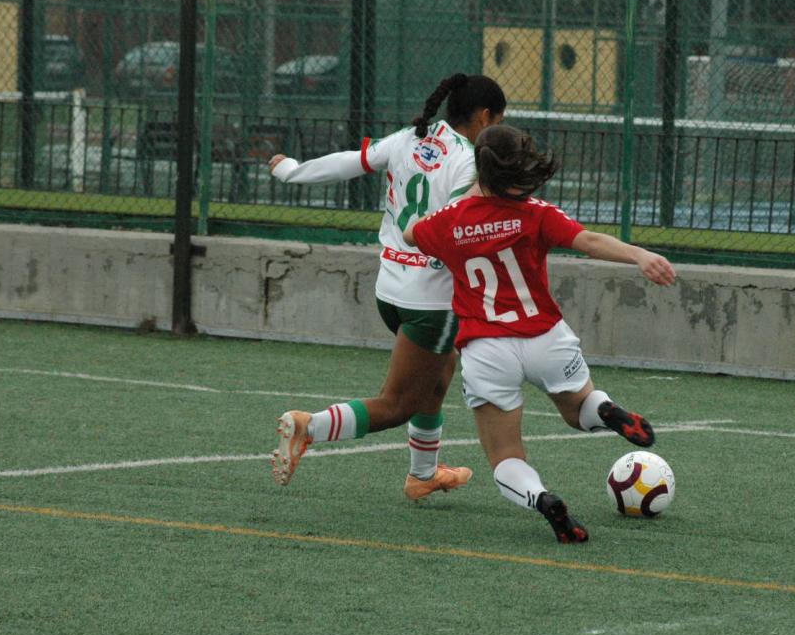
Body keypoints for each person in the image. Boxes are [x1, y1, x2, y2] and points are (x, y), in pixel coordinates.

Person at [403, 124, 676, 543]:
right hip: (547, 339)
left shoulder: (449, 222)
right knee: (578, 407)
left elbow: (410, 234)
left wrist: (453, 212)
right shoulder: (535, 212)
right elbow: (588, 240)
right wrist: (639, 254)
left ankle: (544, 500)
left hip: (486, 349)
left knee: (505, 458)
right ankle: (604, 410)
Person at [267, 73, 507, 500]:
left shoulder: (409, 137)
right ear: (486, 116)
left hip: (390, 289)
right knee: (397, 403)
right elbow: (453, 224)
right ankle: (310, 427)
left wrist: (292, 171)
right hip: (431, 299)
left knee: (440, 371)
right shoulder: (470, 159)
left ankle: (423, 474)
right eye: (500, 120)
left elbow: (351, 162)